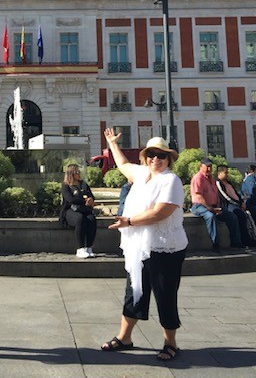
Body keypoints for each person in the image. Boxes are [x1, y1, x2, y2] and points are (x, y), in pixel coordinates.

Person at [101, 129, 188, 362]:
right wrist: (112, 144)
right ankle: (124, 337)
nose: (155, 160)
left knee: (165, 294)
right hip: (139, 247)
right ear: (145, 158)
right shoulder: (141, 173)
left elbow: (160, 213)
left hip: (164, 248)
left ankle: (171, 343)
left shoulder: (171, 180)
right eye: (151, 155)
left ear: (169, 159)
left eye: (161, 156)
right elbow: (121, 164)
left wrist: (128, 221)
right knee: (134, 291)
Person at [190, 158, 243, 252]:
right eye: (207, 166)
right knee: (210, 216)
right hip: (199, 206)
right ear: (201, 166)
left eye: (210, 166)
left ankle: (236, 243)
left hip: (213, 206)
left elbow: (216, 195)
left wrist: (217, 206)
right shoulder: (198, 178)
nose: (209, 169)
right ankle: (215, 245)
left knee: (232, 216)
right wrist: (210, 208)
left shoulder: (212, 179)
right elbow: (199, 196)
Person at [216, 165, 256, 247]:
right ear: (219, 173)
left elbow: (236, 194)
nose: (227, 174)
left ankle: (247, 239)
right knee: (238, 215)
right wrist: (239, 204)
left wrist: (242, 202)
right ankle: (239, 241)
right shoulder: (218, 183)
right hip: (228, 205)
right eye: (225, 172)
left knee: (244, 216)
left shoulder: (229, 183)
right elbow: (226, 197)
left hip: (237, 204)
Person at [60, 164, 97, 258]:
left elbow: (91, 195)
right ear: (71, 174)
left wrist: (91, 199)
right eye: (77, 172)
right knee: (79, 219)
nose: (79, 173)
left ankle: (89, 247)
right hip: (70, 210)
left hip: (84, 210)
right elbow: (70, 199)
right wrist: (84, 201)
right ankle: (80, 248)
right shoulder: (66, 186)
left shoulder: (83, 184)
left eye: (79, 171)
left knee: (91, 219)